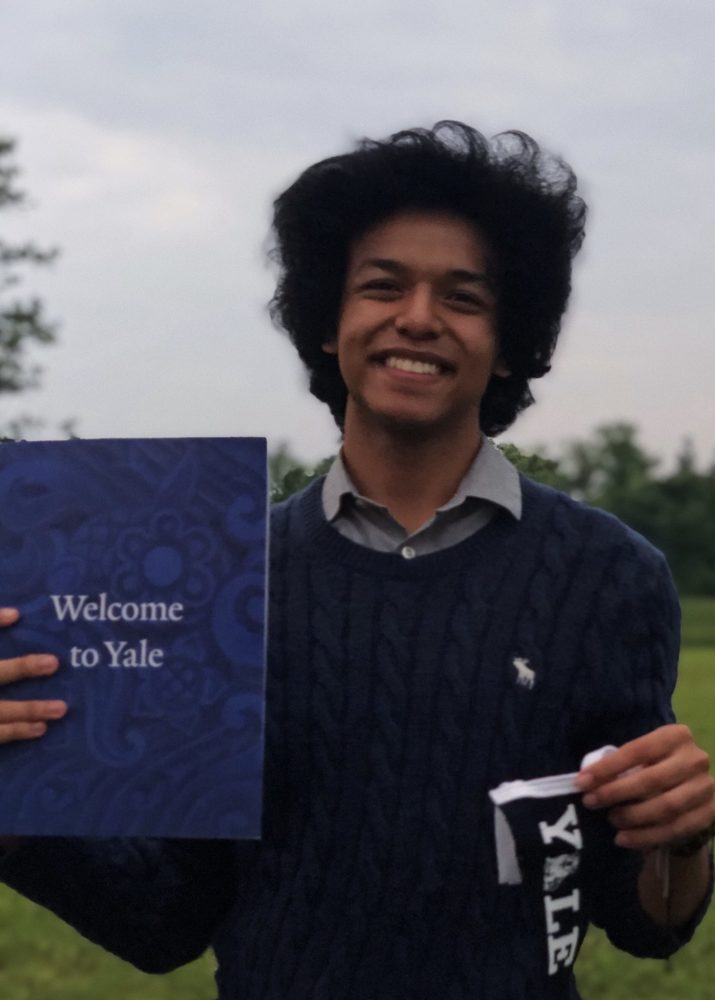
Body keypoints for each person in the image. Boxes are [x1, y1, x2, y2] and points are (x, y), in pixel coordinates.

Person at [0, 121, 712, 999]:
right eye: (382, 286)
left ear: (507, 340)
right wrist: (13, 804)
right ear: (328, 325)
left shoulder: (608, 577)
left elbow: (641, 920)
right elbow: (165, 921)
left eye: (463, 296)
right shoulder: (224, 580)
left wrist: (680, 838)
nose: (417, 317)